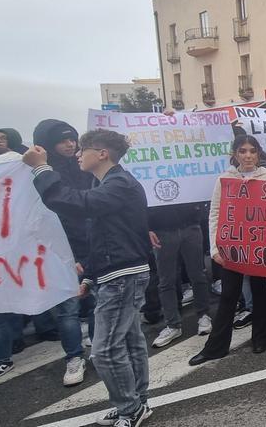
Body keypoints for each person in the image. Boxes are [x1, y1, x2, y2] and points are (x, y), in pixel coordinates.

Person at [23, 129, 153, 426]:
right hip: (118, 274)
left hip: (124, 276)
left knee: (105, 350)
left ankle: (130, 408)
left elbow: (75, 204)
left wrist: (42, 168)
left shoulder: (118, 183)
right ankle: (135, 404)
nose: (78, 154)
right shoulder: (110, 183)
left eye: (84, 149)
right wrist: (91, 277)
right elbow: (104, 238)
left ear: (103, 153)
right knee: (129, 344)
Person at [189, 135, 266, 366]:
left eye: (252, 151)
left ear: (258, 154)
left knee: (259, 293)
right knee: (229, 296)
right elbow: (215, 213)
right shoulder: (224, 179)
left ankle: (261, 338)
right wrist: (215, 248)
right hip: (232, 248)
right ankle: (215, 347)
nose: (247, 155)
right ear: (235, 154)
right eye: (242, 151)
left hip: (258, 247)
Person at [31, 119, 95, 386]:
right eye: (63, 140)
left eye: (73, 139)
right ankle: (74, 357)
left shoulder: (84, 167)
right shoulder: (36, 175)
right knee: (68, 309)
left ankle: (99, 348)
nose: (70, 145)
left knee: (95, 303)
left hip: (91, 245)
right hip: (60, 250)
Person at [147, 200, 213, 349]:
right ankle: (172, 324)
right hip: (160, 228)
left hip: (189, 223)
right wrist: (147, 227)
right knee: (166, 280)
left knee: (197, 274)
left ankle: (203, 315)